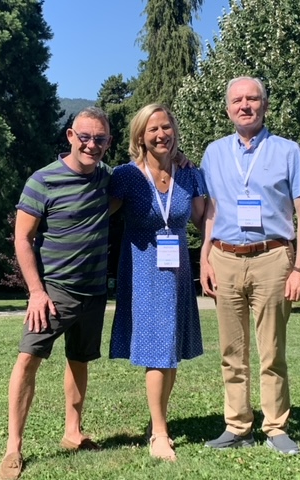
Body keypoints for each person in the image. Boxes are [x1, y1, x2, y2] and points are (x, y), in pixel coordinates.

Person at [199, 76, 300, 455]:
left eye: (252, 99)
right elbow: (210, 211)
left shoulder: (287, 150)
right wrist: (205, 256)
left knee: (271, 350)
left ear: (265, 105)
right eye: (237, 100)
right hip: (225, 257)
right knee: (231, 351)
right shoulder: (213, 153)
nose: (245, 105)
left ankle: (276, 426)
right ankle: (237, 426)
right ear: (228, 108)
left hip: (273, 258)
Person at [0, 107, 112, 480]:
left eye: (100, 139)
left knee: (79, 361)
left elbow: (148, 167)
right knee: (28, 360)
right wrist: (36, 291)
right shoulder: (42, 180)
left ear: (108, 142)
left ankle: (73, 433)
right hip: (53, 293)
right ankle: (13, 448)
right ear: (70, 136)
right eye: (85, 136)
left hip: (94, 293)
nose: (91, 145)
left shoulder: (109, 179)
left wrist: (178, 157)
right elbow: (22, 238)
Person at [109, 104, 206, 462]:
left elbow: (200, 219)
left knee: (171, 352)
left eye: (166, 127)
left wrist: (214, 249)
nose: (161, 134)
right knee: (157, 349)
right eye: (153, 129)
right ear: (140, 136)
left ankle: (157, 423)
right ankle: (160, 434)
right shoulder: (126, 176)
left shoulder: (188, 175)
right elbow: (100, 211)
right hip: (143, 272)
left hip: (178, 274)